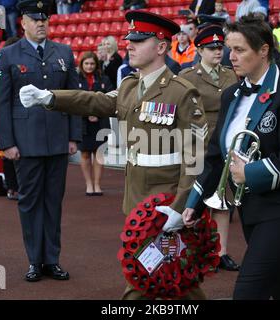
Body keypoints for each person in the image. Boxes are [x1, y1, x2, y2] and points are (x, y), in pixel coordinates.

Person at [20, 10, 209, 300]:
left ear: (161, 47)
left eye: (139, 40)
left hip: (168, 203)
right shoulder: (131, 86)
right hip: (136, 198)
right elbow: (95, 101)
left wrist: (182, 205)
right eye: (129, 39)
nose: (129, 45)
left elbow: (195, 157)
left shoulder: (182, 92)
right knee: (146, 274)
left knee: (176, 280)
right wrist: (50, 97)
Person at [182, 15, 280, 299]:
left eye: (240, 50)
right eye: (230, 49)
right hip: (252, 208)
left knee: (248, 291)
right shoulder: (231, 94)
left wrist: (250, 173)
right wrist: (194, 203)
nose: (231, 57)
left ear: (264, 50)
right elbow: (217, 156)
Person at [0, 0, 82, 282]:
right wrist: (7, 143)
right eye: (35, 19)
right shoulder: (7, 55)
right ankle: (34, 260)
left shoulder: (64, 52)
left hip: (57, 141)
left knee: (54, 202)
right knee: (30, 203)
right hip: (25, 143)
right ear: (23, 23)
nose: (42, 23)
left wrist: (73, 135)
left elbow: (74, 98)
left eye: (45, 19)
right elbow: (0, 103)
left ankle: (52, 260)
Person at [179, 25, 240, 271]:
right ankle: (195, 250)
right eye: (212, 48)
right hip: (198, 145)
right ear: (200, 50)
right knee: (196, 200)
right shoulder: (187, 76)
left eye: (219, 47)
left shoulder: (230, 74)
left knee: (223, 201)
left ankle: (221, 251)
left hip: (225, 144)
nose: (218, 51)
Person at [77, 51, 113, 196]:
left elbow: (109, 97)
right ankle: (89, 184)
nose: (89, 66)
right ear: (81, 64)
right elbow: (75, 99)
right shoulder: (75, 79)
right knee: (85, 154)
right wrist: (87, 114)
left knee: (99, 154)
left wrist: (96, 113)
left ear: (96, 64)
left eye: (92, 63)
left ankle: (97, 184)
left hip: (100, 122)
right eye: (86, 63)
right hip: (82, 122)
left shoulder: (104, 78)